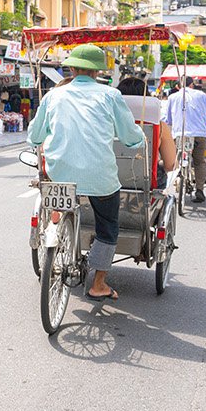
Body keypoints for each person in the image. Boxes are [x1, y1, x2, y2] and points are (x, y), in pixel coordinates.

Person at [27, 44, 146, 302]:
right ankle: (99, 284)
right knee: (108, 227)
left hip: (59, 177)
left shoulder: (52, 96)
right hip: (99, 179)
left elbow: (35, 136)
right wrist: (139, 140)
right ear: (97, 72)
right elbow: (128, 136)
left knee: (58, 206)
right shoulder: (110, 95)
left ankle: (58, 237)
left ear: (71, 68)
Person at [163, 76, 206, 203]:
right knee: (199, 162)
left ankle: (178, 179)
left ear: (178, 86)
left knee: (176, 159)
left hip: (180, 135)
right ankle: (199, 189)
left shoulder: (172, 97)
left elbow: (168, 120)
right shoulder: (203, 96)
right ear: (192, 84)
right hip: (199, 134)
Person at [117, 77, 178, 185]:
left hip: (108, 184)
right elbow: (170, 165)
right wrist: (157, 162)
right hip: (147, 186)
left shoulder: (106, 123)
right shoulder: (160, 127)